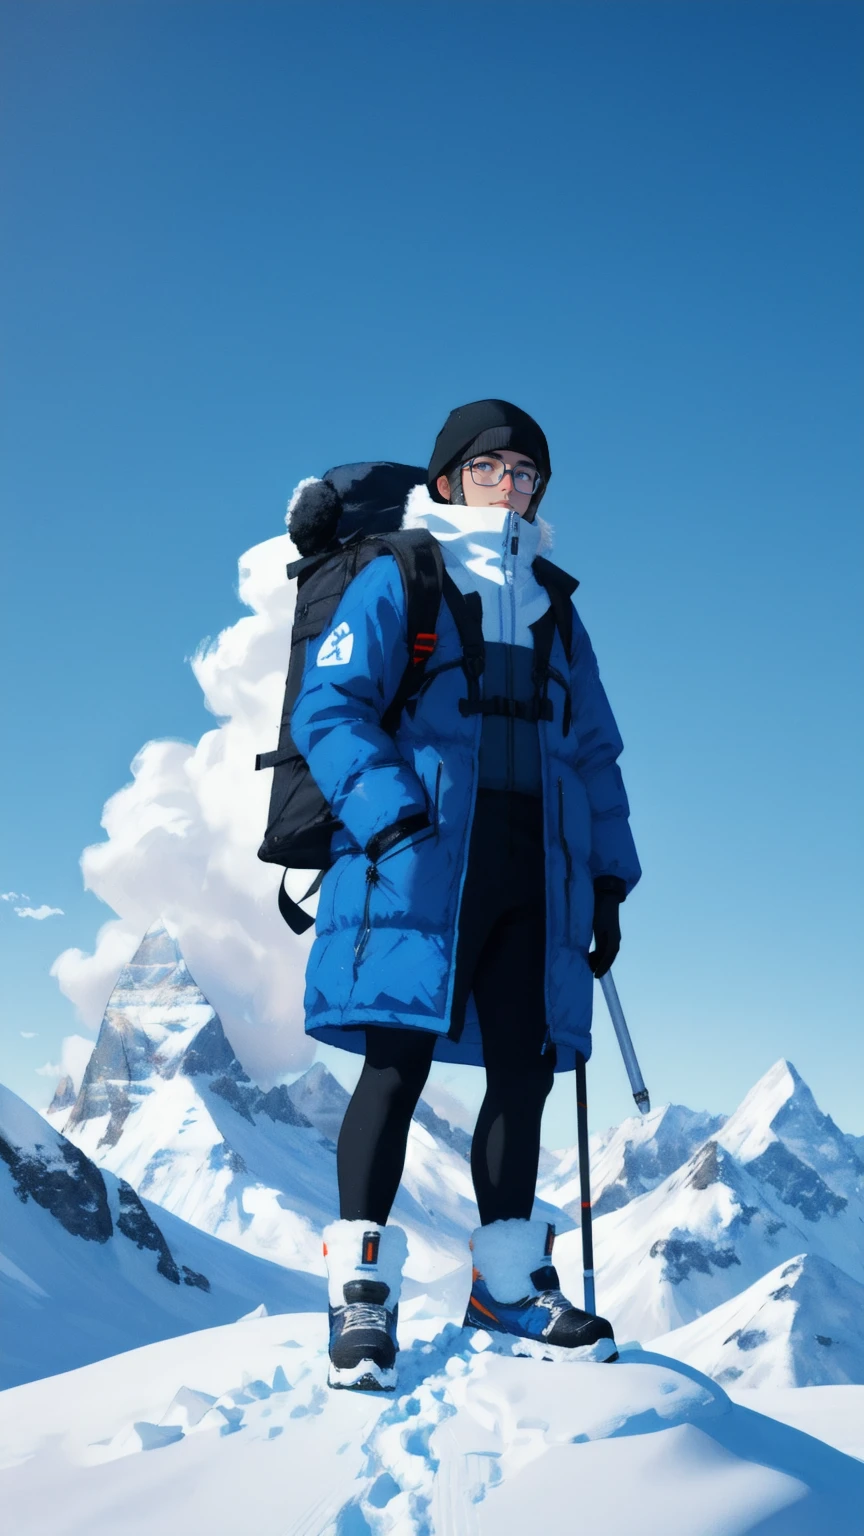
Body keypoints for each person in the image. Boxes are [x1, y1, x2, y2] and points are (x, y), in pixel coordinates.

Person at [290, 399, 641, 1390]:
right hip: (420, 858)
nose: (515, 486)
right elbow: (332, 704)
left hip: (537, 870)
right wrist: (389, 813)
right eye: (494, 468)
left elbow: (595, 752)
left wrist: (608, 877)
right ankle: (359, 1293)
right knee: (395, 1065)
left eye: (529, 473)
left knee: (525, 1072)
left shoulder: (556, 607)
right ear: (448, 480)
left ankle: (507, 1286)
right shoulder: (404, 573)